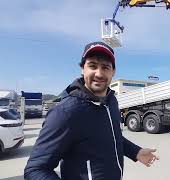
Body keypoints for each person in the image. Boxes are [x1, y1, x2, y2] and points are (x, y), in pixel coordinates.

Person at [24, 41, 159, 180]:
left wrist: (136, 152)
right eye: (92, 66)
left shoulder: (111, 101)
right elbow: (35, 170)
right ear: (83, 68)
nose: (99, 73)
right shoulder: (65, 113)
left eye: (105, 67)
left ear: (113, 72)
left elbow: (112, 136)